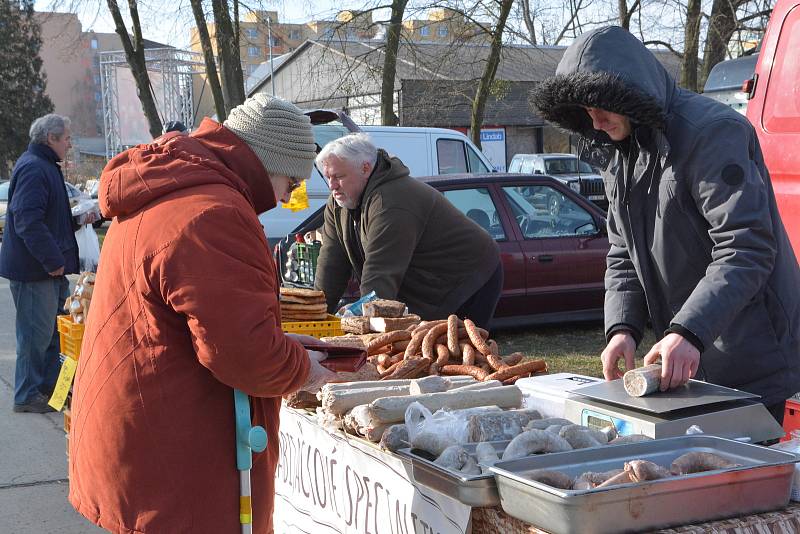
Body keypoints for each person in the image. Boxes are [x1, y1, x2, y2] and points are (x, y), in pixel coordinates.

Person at [68, 94, 337, 533]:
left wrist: (284, 347)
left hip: (138, 441)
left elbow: (197, 324)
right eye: (292, 184)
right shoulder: (214, 213)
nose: (288, 198)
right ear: (271, 163)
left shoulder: (165, 187)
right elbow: (244, 355)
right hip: (176, 463)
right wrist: (300, 368)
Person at [531, 26, 800, 422]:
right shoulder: (618, 151)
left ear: (627, 91)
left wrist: (689, 331)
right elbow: (622, 253)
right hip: (687, 352)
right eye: (585, 113)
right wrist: (621, 328)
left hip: (749, 351)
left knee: (743, 476)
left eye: (601, 107)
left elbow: (746, 248)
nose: (596, 121)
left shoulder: (713, 133)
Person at [313, 133, 503, 328]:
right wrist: (314, 316)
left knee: (459, 352)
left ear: (365, 168)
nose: (331, 185)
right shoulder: (336, 204)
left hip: (470, 277)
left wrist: (364, 327)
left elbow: (380, 276)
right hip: (426, 283)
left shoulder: (391, 202)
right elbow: (331, 265)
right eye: (328, 177)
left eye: (338, 176)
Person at [0, 114, 92, 413]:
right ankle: (26, 395)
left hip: (49, 270)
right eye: (66, 137)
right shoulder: (34, 168)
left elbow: (48, 220)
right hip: (36, 271)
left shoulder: (44, 167)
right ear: (50, 138)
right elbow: (27, 221)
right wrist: (53, 261)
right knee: (35, 335)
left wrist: (80, 220)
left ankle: (50, 389)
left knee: (53, 333)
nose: (69, 143)